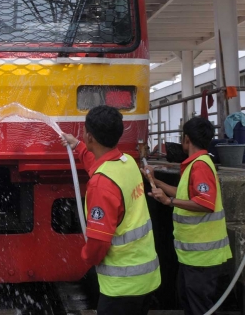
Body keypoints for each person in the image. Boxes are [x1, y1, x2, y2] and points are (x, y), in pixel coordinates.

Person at [61, 105, 160, 315]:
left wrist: (85, 256)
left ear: (90, 137)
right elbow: (98, 165)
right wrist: (78, 145)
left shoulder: (100, 184)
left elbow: (98, 244)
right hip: (146, 280)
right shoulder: (128, 164)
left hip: (121, 289)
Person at [142, 117, 232, 315]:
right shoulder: (195, 164)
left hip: (203, 257)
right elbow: (183, 193)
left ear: (186, 139)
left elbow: (205, 203)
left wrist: (168, 202)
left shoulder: (200, 166)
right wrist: (155, 180)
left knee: (200, 307)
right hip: (193, 256)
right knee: (188, 300)